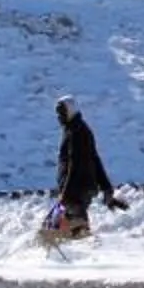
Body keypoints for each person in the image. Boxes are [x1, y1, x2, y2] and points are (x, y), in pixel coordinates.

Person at [51, 95, 126, 238]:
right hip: (79, 188)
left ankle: (83, 250)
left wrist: (65, 193)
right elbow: (95, 159)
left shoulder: (76, 132)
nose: (59, 117)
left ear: (69, 111)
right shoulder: (76, 129)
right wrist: (106, 187)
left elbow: (74, 164)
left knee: (75, 227)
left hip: (77, 189)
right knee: (65, 227)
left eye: (61, 113)